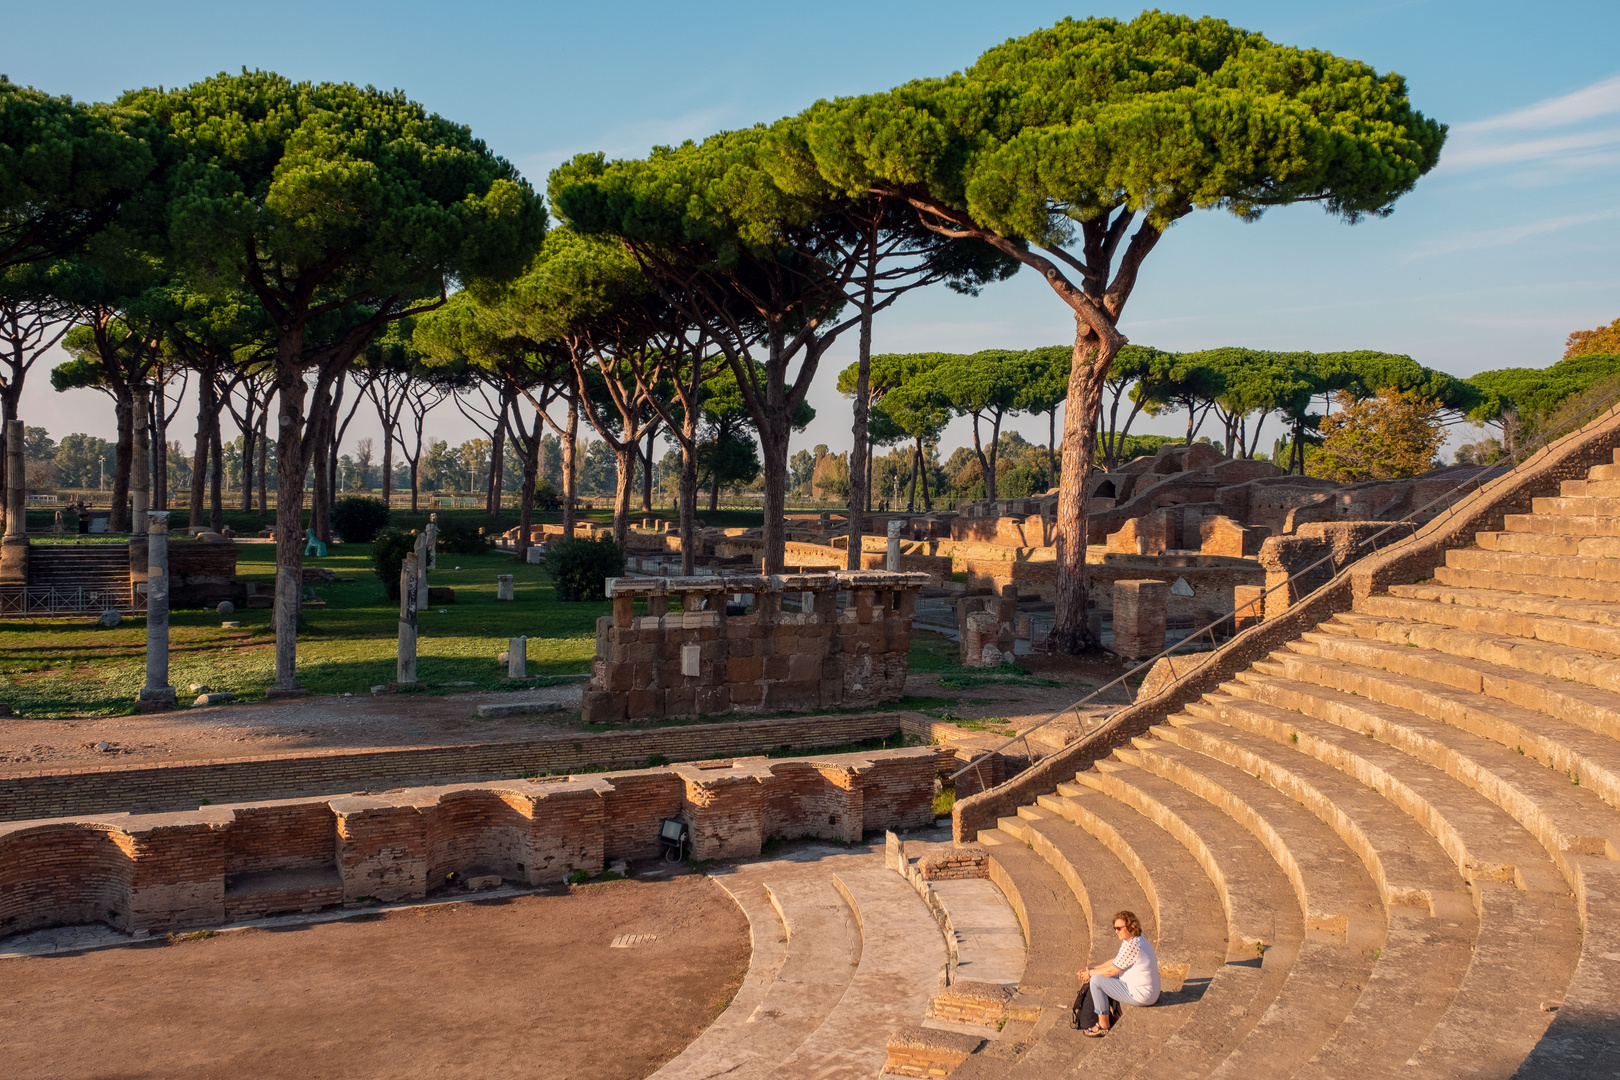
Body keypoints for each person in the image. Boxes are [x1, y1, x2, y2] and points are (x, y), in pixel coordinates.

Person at [1078, 909, 1160, 1037]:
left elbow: (1111, 971)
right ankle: (1114, 1012)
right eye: (1114, 928)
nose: (1116, 931)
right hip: (1147, 990)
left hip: (1142, 995)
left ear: (1129, 927)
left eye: (1119, 928)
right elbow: (1116, 962)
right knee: (1099, 975)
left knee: (1096, 981)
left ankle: (1103, 1026)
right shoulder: (1134, 940)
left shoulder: (1133, 946)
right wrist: (1092, 969)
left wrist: (1090, 974)